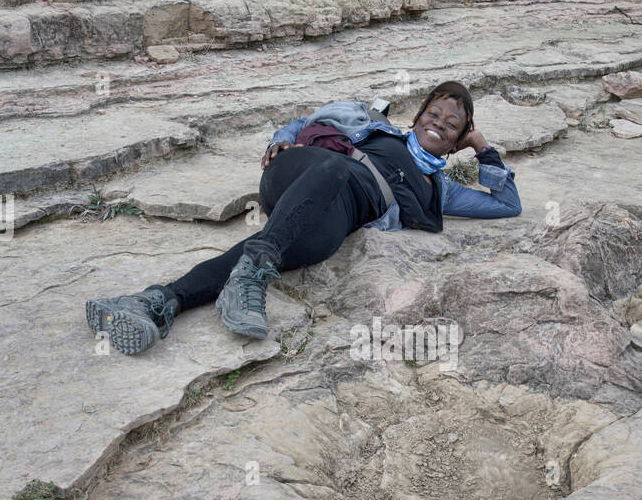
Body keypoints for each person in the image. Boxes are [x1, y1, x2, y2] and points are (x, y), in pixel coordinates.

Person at [85, 80, 522, 355]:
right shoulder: (373, 124)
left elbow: (508, 205)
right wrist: (280, 140)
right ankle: (251, 274)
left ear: (457, 141)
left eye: (453, 125)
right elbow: (303, 121)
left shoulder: (437, 190)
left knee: (282, 247)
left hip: (334, 218)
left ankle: (156, 304)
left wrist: (483, 147)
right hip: (300, 171)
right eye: (434, 114)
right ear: (417, 116)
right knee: (333, 169)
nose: (439, 124)